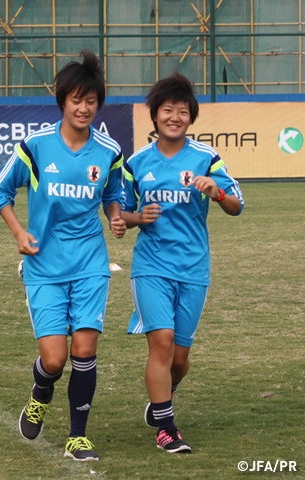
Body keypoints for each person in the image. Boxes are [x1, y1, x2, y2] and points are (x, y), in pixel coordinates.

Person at [0, 50, 126, 461]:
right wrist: (18, 231)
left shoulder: (108, 150)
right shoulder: (36, 146)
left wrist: (116, 217)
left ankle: (77, 437)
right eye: (76, 100)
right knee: (55, 358)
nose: (83, 108)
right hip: (44, 266)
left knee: (84, 352)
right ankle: (40, 393)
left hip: (90, 265)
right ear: (61, 100)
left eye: (91, 101)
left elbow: (114, 194)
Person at [121, 72, 244, 453]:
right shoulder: (137, 162)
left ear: (191, 117)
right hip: (152, 267)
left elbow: (237, 206)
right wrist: (138, 218)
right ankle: (166, 427)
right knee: (161, 342)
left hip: (193, 269)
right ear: (154, 116)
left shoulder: (207, 158)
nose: (174, 116)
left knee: (180, 358)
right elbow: (121, 213)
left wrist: (216, 190)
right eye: (166, 110)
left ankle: (164, 395)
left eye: (181, 111)